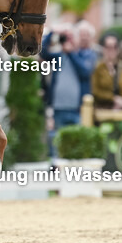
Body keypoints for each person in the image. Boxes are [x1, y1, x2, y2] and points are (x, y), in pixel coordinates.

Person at [41, 24, 96, 160]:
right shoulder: (58, 57)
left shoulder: (84, 55)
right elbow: (42, 52)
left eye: (71, 38)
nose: (68, 41)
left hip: (78, 109)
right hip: (59, 108)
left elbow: (85, 71)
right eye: (67, 38)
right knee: (58, 141)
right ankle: (57, 169)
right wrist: (52, 33)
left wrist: (70, 52)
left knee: (78, 142)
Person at [91, 32, 122, 119]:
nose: (111, 51)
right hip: (103, 113)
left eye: (114, 47)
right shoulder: (98, 69)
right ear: (103, 48)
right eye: (108, 47)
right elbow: (95, 90)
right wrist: (113, 98)